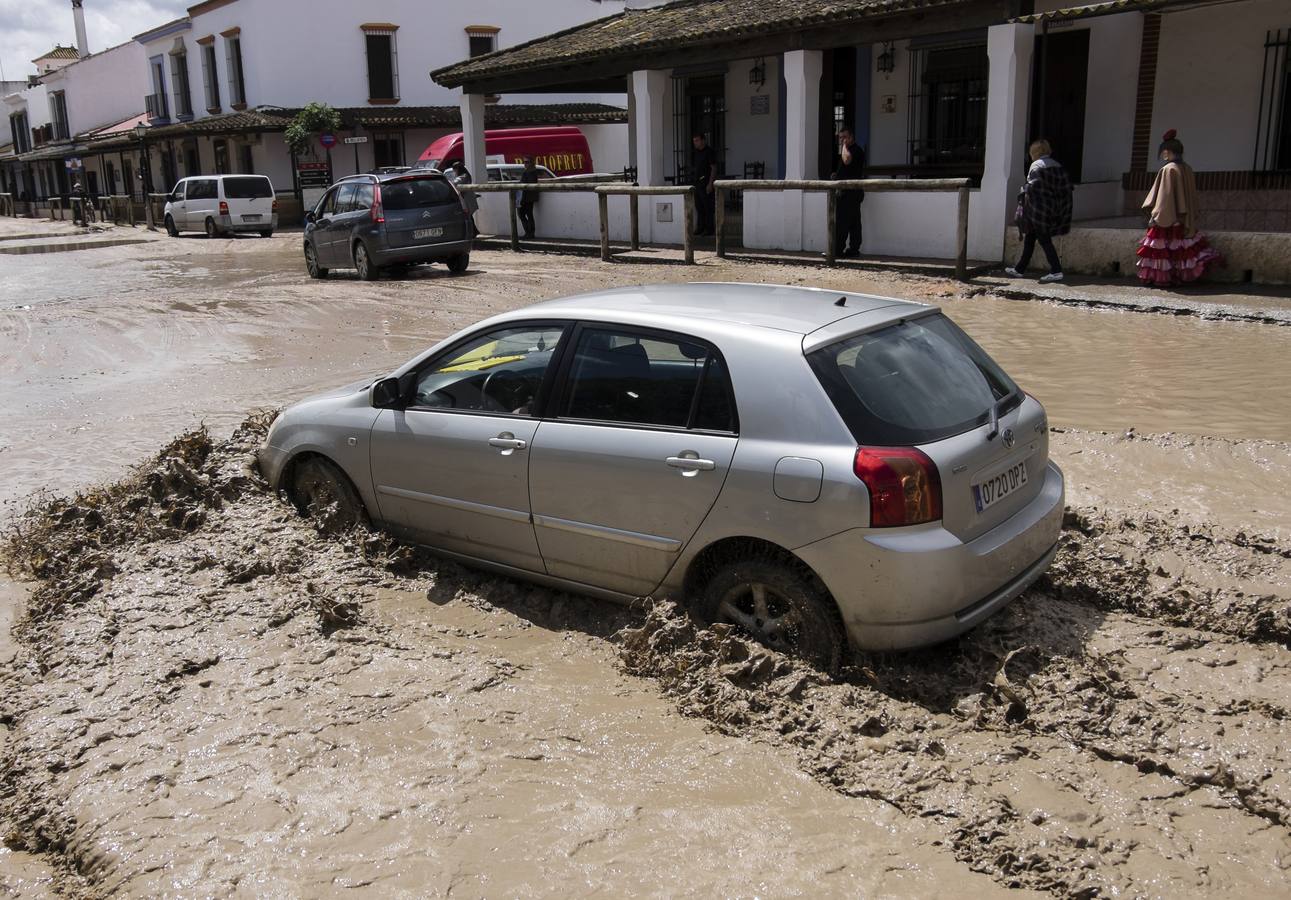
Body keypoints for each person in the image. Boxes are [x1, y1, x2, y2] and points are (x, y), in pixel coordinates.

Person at [1136, 129, 1223, 287]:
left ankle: (1164, 278)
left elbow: (1164, 197)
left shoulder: (1168, 169)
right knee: (1180, 250)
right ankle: (1182, 276)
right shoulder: (1187, 169)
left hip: (1169, 217)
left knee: (1164, 251)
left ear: (1167, 152)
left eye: (1163, 152)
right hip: (1183, 218)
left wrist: (1156, 215)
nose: (1163, 155)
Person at [1004, 139, 1072, 283]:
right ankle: (1019, 269)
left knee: (1044, 239)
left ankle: (1056, 270)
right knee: (1030, 238)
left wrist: (1024, 190)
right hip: (1053, 208)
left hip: (1038, 210)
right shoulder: (1057, 166)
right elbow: (1064, 189)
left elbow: (1034, 188)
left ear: (1034, 152)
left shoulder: (1036, 166)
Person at [830, 127, 866, 258]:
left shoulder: (856, 150)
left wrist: (843, 146)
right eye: (840, 138)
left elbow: (847, 160)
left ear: (851, 137)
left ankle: (838, 251)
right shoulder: (849, 150)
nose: (842, 140)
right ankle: (853, 250)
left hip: (851, 192)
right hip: (848, 192)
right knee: (853, 222)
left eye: (844, 137)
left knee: (843, 222)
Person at [690, 133, 717, 236]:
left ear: (703, 140)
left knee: (708, 207)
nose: (695, 143)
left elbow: (713, 168)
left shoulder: (709, 152)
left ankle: (710, 229)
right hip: (697, 183)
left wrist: (710, 184)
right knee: (699, 206)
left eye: (697, 140)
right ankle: (700, 227)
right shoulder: (696, 153)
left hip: (706, 183)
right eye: (694, 141)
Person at [449, 161, 479, 235]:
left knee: (468, 217)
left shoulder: (464, 176)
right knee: (469, 217)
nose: (454, 172)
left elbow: (455, 183)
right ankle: (474, 232)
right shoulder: (466, 175)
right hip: (466, 200)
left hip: (467, 200)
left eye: (455, 170)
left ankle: (473, 232)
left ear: (458, 169)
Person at [518, 155, 539, 239]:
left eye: (527, 162)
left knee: (524, 214)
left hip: (527, 197)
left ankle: (529, 233)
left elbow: (528, 184)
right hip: (527, 196)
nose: (525, 164)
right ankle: (529, 233)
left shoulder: (530, 172)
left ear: (531, 163)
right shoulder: (530, 171)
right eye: (524, 162)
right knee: (526, 214)